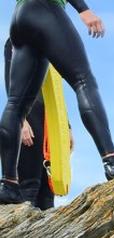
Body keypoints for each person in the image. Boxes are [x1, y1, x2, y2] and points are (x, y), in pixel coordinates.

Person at [0, 0, 114, 205]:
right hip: (45, 8)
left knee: (16, 104)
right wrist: (83, 9)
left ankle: (8, 185)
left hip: (20, 17)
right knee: (83, 81)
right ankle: (112, 160)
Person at [3, 38, 61, 210]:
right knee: (28, 187)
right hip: (28, 114)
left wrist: (66, 126)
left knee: (48, 190)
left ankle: (48, 236)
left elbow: (56, 92)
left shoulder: (51, 43)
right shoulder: (17, 38)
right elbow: (11, 81)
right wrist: (21, 121)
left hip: (49, 119)